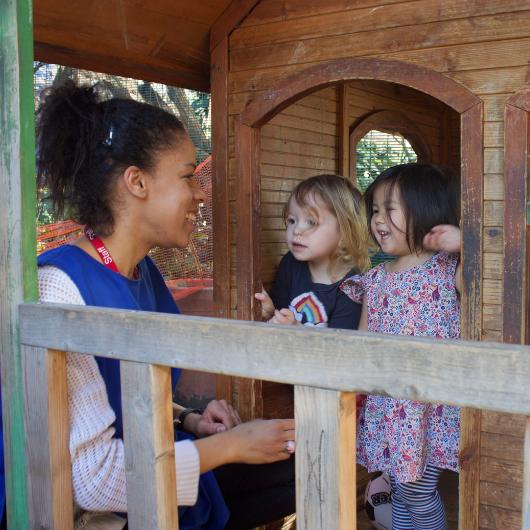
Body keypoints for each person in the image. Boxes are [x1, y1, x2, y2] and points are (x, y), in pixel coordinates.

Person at [36, 80, 295, 530]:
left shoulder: (144, 271)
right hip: (99, 506)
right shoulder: (59, 288)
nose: (199, 192)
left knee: (299, 464)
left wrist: (191, 420)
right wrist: (230, 447)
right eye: (187, 175)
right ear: (136, 182)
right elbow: (93, 482)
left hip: (160, 466)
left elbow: (123, 394)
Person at [341, 163, 461, 530]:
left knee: (417, 494)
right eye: (375, 209)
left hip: (428, 407)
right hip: (389, 406)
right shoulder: (375, 279)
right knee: (399, 491)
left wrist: (465, 242)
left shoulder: (446, 267)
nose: (378, 219)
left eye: (390, 209)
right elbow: (365, 339)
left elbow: (495, 271)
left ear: (425, 211)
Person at [255, 174, 371, 329]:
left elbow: (340, 347)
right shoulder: (291, 263)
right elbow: (282, 315)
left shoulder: (353, 286)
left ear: (345, 232)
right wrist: (271, 313)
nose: (297, 230)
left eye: (311, 222)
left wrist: (297, 330)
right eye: (292, 220)